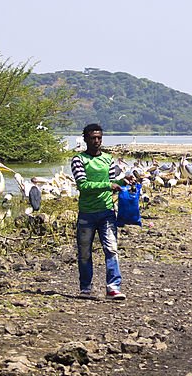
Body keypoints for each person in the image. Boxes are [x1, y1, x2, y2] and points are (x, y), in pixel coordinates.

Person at [71, 123, 133, 300]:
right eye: (92, 138)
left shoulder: (108, 159)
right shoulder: (78, 159)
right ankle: (85, 288)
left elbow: (112, 182)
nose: (96, 141)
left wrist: (123, 182)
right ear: (85, 139)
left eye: (99, 138)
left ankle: (113, 286)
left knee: (112, 249)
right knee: (84, 252)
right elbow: (83, 185)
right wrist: (108, 185)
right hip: (86, 212)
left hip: (107, 211)